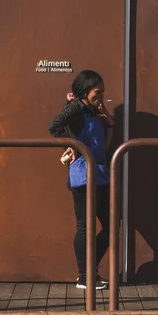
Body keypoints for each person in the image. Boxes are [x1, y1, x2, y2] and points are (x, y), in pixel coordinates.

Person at [48, 70, 114, 290]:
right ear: (85, 91)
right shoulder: (76, 109)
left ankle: (89, 271)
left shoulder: (95, 111)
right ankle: (85, 276)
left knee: (112, 226)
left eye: (103, 91)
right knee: (84, 226)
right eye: (98, 92)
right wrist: (71, 144)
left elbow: (107, 137)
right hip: (83, 173)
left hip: (100, 173)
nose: (101, 95)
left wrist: (107, 118)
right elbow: (54, 126)